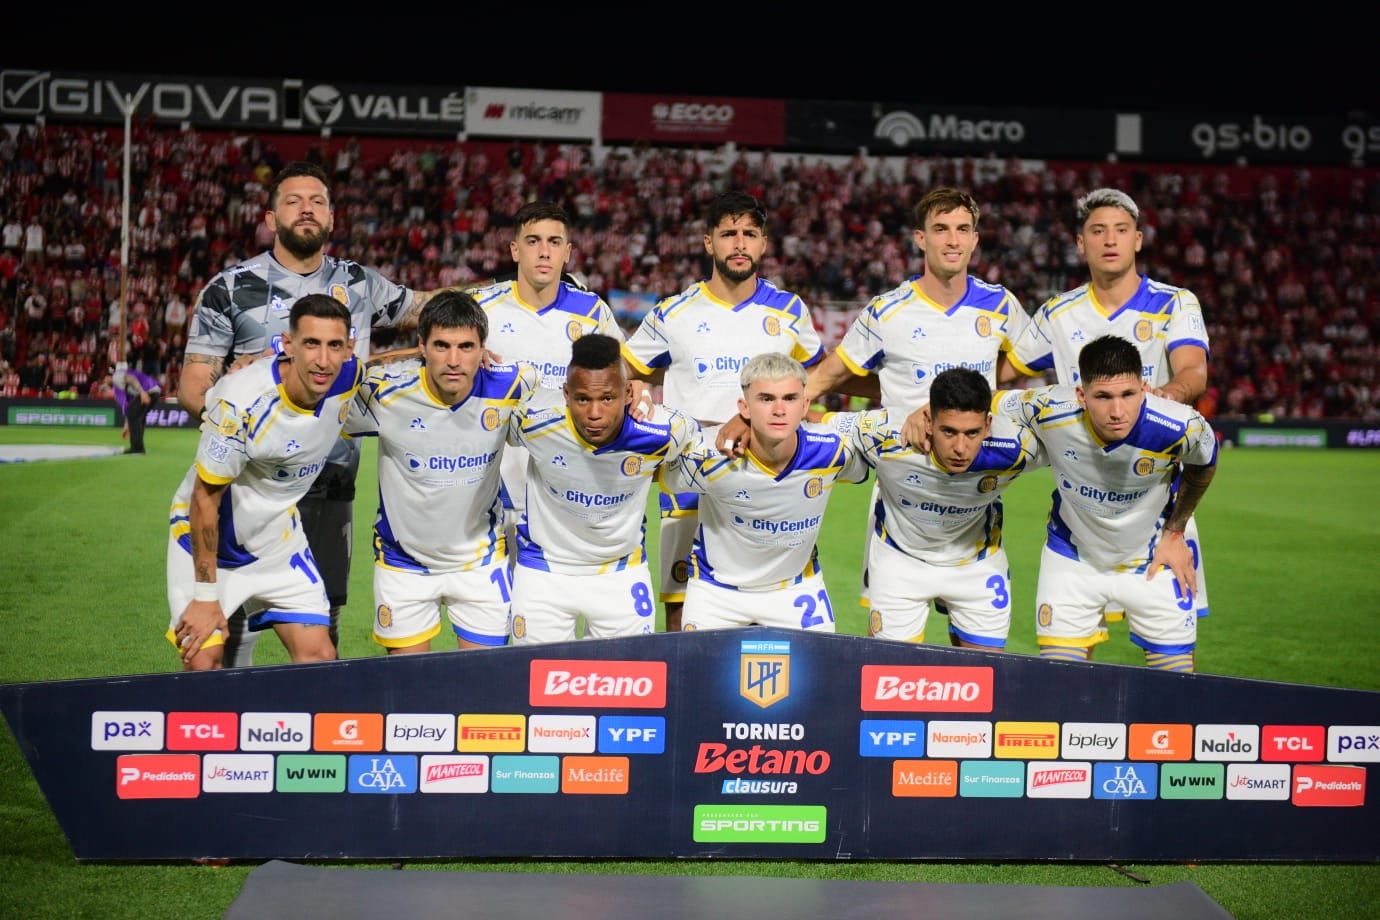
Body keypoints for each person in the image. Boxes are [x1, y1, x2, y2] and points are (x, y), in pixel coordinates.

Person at [179, 160, 450, 666]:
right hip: (247, 486)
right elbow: (194, 385)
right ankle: (230, 729)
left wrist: (507, 295)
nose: (306, 209)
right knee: (231, 630)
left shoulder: (359, 283)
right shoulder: (230, 287)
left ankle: (312, 733)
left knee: (323, 620)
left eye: (317, 201)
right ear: (270, 216)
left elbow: (425, 309)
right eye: (293, 201)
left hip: (330, 479)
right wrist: (231, 390)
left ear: (331, 217)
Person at [728, 187, 1030, 615]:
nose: (953, 240)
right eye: (940, 229)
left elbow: (1021, 367)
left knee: (977, 648)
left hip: (970, 491)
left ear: (976, 239)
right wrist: (760, 417)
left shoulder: (1002, 306)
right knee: (890, 647)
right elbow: (829, 374)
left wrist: (987, 402)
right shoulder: (887, 311)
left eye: (963, 230)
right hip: (899, 491)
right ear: (920, 239)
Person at [1001, 187, 1212, 621]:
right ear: (1081, 243)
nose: (1110, 240)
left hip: (1156, 505)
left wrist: (1165, 396)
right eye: (1098, 231)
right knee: (1069, 663)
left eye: (1121, 230)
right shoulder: (1058, 313)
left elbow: (1193, 371)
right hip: (1082, 508)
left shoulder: (1173, 302)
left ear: (1138, 239)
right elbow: (1001, 374)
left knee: (1175, 666)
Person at [622, 190, 824, 630]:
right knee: (681, 608)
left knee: (766, 604)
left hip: (767, 482)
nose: (739, 243)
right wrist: (636, 387)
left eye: (749, 234)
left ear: (764, 243)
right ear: (708, 242)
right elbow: (628, 373)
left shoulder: (790, 312)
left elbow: (813, 382)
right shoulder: (672, 313)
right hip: (689, 479)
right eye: (728, 233)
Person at [166, 294, 362, 670]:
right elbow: (204, 498)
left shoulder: (349, 376)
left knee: (319, 657)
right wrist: (206, 596)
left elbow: (395, 363)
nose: (323, 360)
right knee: (203, 660)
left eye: (334, 345)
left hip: (277, 541)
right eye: (311, 344)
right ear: (287, 345)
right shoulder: (240, 402)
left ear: (348, 348)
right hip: (208, 545)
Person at [1001, 334, 1218, 672]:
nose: (1117, 411)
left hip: (1155, 560)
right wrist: (928, 410)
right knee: (1060, 687)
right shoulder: (1047, 407)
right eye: (1102, 396)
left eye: (1128, 395)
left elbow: (1205, 462)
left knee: (1175, 697)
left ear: (1144, 388)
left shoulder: (1180, 425)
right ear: (1080, 395)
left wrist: (1176, 530)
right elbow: (988, 402)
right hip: (1073, 560)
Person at [344, 291, 537, 653]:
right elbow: (324, 386)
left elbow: (578, 398)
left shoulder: (511, 386)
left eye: (466, 347)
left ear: (483, 348)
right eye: (441, 346)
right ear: (422, 346)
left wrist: (633, 389)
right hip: (404, 565)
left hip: (480, 563)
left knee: (485, 688)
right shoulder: (384, 394)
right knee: (411, 693)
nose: (453, 360)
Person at [830, 367, 1046, 649]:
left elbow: (1074, 436)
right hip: (901, 560)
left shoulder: (1017, 447)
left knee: (982, 679)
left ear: (989, 425)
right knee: (888, 677)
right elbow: (813, 422)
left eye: (972, 433)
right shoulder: (885, 433)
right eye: (948, 431)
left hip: (976, 565)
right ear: (928, 421)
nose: (960, 447)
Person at [507, 334, 695, 644]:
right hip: (543, 573)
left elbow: (702, 436)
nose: (595, 413)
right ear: (566, 394)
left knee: (623, 688)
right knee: (537, 685)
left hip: (620, 574)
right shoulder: (534, 423)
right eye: (583, 399)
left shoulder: (662, 431)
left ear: (627, 392)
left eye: (607, 398)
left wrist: (742, 424)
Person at [661, 352, 868, 632]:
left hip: (795, 589)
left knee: (819, 674)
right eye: (766, 399)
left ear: (805, 404)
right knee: (700, 674)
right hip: (716, 592)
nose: (779, 410)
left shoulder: (833, 450)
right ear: (743, 408)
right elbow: (648, 466)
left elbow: (886, 433)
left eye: (790, 398)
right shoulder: (709, 455)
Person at [469, 202, 632, 557]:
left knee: (554, 605)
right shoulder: (479, 309)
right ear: (514, 249)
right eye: (533, 241)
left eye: (555, 242)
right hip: (492, 492)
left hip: (569, 492)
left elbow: (624, 383)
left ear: (568, 252)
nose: (544, 251)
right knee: (494, 609)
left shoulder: (592, 313)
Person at [111, 362, 161, 454]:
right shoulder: (123, 387)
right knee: (138, 416)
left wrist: (142, 392)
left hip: (147, 391)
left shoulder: (116, 376)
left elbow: (131, 378)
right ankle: (139, 447)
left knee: (136, 416)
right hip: (155, 391)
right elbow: (129, 408)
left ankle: (137, 448)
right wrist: (127, 425)